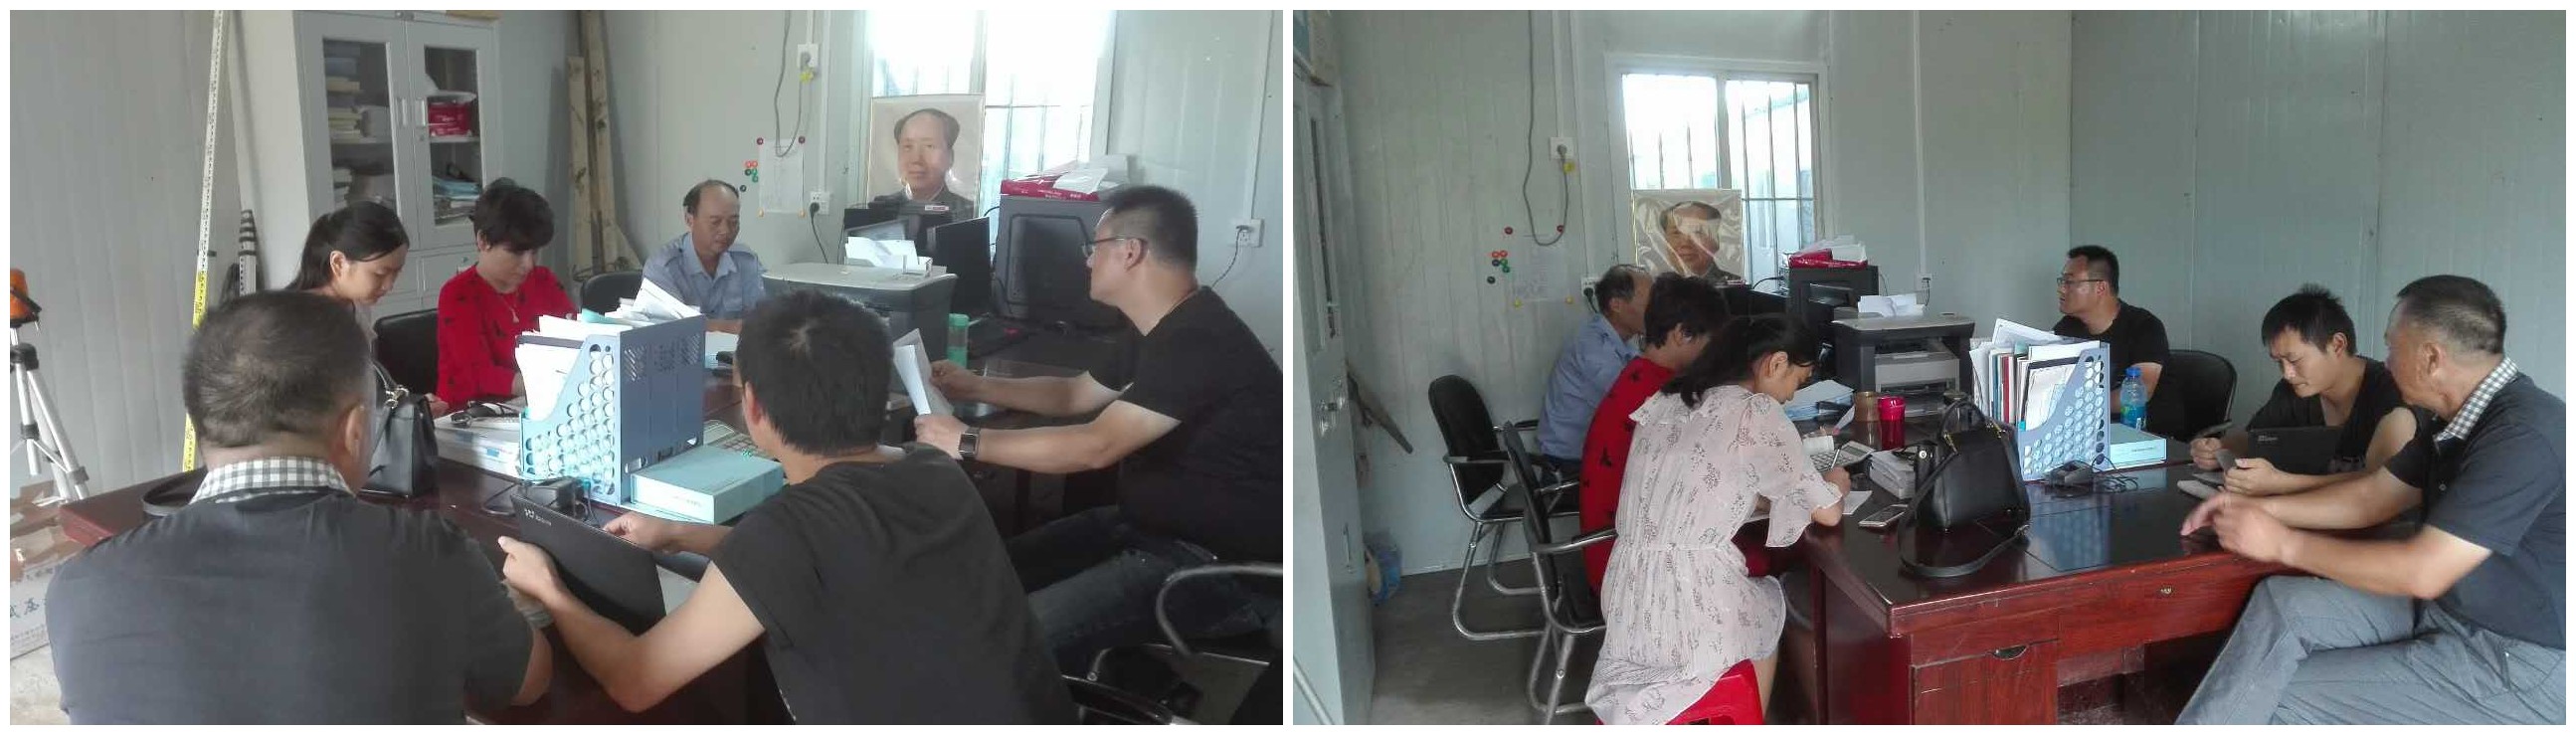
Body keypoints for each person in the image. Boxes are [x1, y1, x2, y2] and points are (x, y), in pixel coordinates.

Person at [497, 290, 1071, 723]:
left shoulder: (786, 534)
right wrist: (683, 534)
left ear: (753, 407)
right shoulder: (937, 471)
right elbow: (828, 558)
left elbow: (635, 680)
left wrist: (550, 589)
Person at [48, 291, 548, 723]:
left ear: (201, 424)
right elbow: (527, 683)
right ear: (356, 430)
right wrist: (549, 592)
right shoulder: (429, 554)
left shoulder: (79, 588)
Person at [911, 185, 1279, 671]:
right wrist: (975, 386)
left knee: (1010, 644)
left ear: (1130, 252)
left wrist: (966, 440)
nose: (1087, 261)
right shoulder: (1164, 325)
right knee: (983, 573)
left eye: (1095, 248)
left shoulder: (1197, 339)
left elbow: (1095, 446)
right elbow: (1074, 395)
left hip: (1215, 571)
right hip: (1148, 531)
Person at [2176, 276, 2562, 724]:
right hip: (2449, 610)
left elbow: (2424, 571)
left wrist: (2283, 543)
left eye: (2393, 348)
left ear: (2431, 358)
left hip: (2515, 659)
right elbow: (2372, 497)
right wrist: (2253, 509)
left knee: (2276, 693)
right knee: (2282, 603)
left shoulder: (2522, 435)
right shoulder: (2455, 420)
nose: (2386, 361)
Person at [1586, 313, 1847, 725]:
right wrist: (1836, 482)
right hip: (1689, 605)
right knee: (1772, 603)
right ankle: (1752, 718)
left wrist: (1767, 500)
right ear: (1775, 363)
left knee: (1758, 599)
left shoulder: (1668, 401)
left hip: (1628, 599)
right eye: (1796, 382)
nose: (1790, 397)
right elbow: (1828, 514)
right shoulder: (1754, 411)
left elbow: (1697, 487)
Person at [2189, 285, 2426, 495]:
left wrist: (2282, 483)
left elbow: (2382, 484)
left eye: (2294, 360)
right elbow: (2255, 438)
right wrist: (2219, 448)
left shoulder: (2393, 394)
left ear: (2337, 345)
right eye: (2279, 362)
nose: (2287, 373)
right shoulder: (2295, 389)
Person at [1578, 273, 1724, 591]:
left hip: (1615, 545)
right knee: (1771, 550)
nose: (1712, 355)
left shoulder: (1641, 374)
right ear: (1682, 334)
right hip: (1626, 568)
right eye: (1709, 344)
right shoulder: (1660, 399)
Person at [437, 180, 575, 406]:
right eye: (517, 253)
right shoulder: (457, 294)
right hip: (472, 414)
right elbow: (478, 373)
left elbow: (573, 341)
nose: (528, 264)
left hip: (534, 404)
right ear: (483, 241)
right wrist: (540, 383)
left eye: (534, 252)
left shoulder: (544, 281)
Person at [1538, 264, 1650, 476]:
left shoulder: (1623, 341)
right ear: (1616, 305)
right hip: (1571, 464)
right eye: (1648, 302)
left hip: (1595, 453)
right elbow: (1632, 401)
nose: (1656, 310)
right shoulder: (1592, 344)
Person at [2052, 245, 2169, 406]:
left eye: (2069, 282)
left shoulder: (2145, 326)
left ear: (2100, 288)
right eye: (2062, 281)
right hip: (2084, 419)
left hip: (2139, 421)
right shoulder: (2066, 329)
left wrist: (2081, 406)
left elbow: (2140, 391)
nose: (2061, 289)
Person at [643, 179, 764, 333]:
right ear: (689, 220)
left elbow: (763, 316)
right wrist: (731, 327)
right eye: (715, 222)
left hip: (738, 347)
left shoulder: (745, 260)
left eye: (733, 222)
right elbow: (668, 328)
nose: (726, 231)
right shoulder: (662, 266)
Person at [885, 107, 976, 214]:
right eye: (908, 147)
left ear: (950, 157)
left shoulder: (968, 212)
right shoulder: (883, 209)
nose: (916, 159)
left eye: (929, 146)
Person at [1660, 201, 1741, 282]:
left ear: (1716, 240)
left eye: (1697, 232)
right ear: (1665, 239)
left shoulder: (1734, 285)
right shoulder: (1656, 286)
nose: (1685, 243)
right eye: (1676, 233)